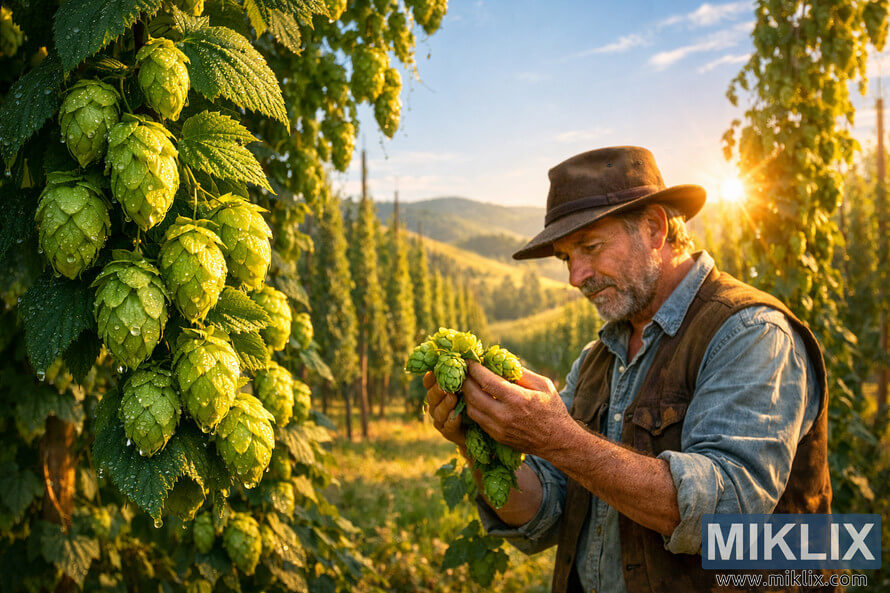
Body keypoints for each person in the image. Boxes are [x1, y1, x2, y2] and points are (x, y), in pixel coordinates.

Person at [423, 146, 834, 593]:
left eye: (591, 247)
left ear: (655, 229)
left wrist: (557, 437)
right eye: (566, 257)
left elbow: (727, 515)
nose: (576, 276)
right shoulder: (598, 359)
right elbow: (544, 514)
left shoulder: (750, 334)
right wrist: (478, 441)